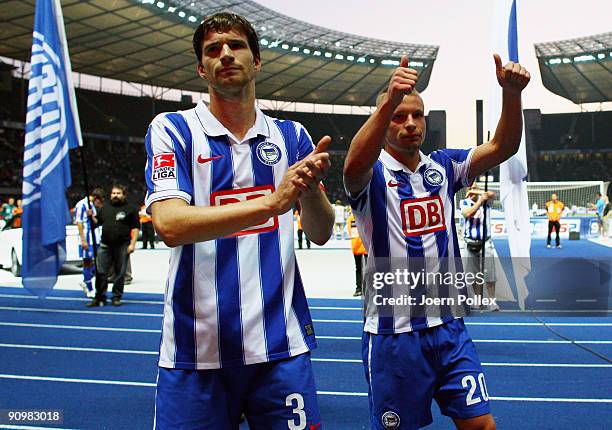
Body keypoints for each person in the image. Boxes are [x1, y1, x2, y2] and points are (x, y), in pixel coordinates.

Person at [145, 12, 335, 429]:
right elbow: (169, 225)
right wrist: (272, 203)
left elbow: (320, 233)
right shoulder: (173, 130)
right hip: (196, 353)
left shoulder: (290, 136)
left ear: (257, 60)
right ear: (201, 68)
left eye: (236, 46)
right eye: (213, 50)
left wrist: (311, 190)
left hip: (280, 350)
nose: (225, 55)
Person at [343, 54, 530, 429]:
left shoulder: (443, 167)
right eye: (398, 116)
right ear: (384, 121)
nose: (410, 124)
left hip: (449, 327)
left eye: (417, 115)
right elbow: (352, 166)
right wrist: (386, 104)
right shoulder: (370, 175)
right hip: (393, 336)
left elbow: (502, 147)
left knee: (482, 425)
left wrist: (511, 94)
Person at [86, 184, 139, 307]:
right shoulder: (105, 207)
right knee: (101, 271)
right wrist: (91, 216)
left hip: (122, 245)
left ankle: (116, 296)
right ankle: (99, 296)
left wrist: (132, 244)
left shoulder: (131, 208)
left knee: (120, 273)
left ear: (124, 195)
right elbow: (97, 223)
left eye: (118, 193)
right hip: (105, 245)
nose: (115, 195)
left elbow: (136, 227)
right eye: (113, 193)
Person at [460, 184, 498, 311]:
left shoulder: (486, 202)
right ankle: (477, 300)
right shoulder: (464, 202)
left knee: (490, 273)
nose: (472, 190)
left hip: (485, 243)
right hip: (470, 243)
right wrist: (479, 200)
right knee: (473, 274)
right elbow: (468, 214)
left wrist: (479, 194)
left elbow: (493, 194)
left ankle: (492, 301)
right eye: (470, 188)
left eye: (475, 187)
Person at [75, 188, 105, 298]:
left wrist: (92, 216)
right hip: (87, 238)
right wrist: (83, 240)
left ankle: (85, 280)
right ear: (96, 198)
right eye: (99, 201)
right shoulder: (82, 205)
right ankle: (90, 287)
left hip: (95, 238)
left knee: (96, 263)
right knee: (88, 261)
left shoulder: (92, 205)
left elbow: (95, 221)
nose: (99, 204)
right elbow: (79, 223)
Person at [347, 207, 367, 297]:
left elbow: (351, 232)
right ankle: (362, 288)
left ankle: (360, 288)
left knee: (360, 269)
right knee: (364, 269)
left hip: (359, 246)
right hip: (363, 246)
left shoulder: (351, 220)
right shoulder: (366, 218)